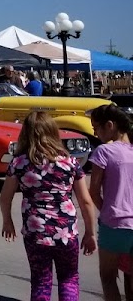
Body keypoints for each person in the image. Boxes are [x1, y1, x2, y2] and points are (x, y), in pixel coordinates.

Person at [0, 111, 97, 301]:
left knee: (41, 281)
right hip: (66, 232)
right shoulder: (70, 163)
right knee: (69, 279)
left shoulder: (19, 163)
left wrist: (7, 222)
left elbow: (5, 197)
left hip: (35, 232)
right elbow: (85, 201)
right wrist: (91, 232)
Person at [88, 104, 133, 301]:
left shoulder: (104, 151)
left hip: (113, 224)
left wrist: (106, 209)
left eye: (96, 128)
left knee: (108, 278)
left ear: (110, 125)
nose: (95, 133)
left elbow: (93, 191)